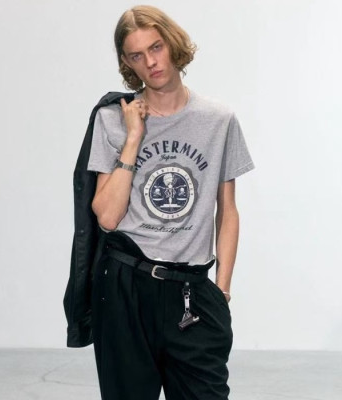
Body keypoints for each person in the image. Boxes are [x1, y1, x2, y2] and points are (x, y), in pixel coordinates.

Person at [86, 5, 255, 400]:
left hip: (191, 291)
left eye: (156, 47)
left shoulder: (219, 120)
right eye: (136, 55)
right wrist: (133, 137)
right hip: (126, 287)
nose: (150, 62)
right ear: (127, 63)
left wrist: (222, 291)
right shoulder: (113, 119)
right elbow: (107, 217)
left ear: (173, 43)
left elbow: (227, 211)